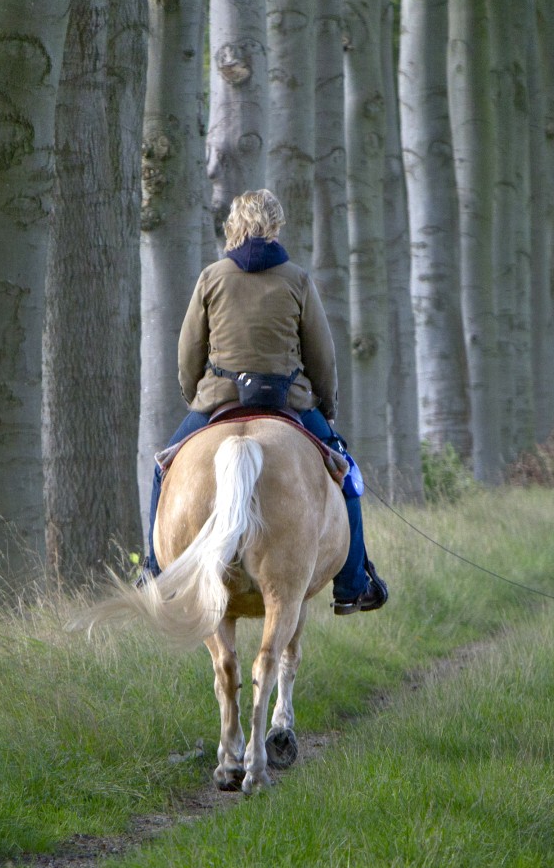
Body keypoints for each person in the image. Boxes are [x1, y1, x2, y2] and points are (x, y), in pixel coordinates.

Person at [144, 189, 388, 615]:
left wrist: (197, 399)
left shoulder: (211, 278)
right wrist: (325, 410)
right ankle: (352, 584)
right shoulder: (297, 279)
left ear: (233, 224)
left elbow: (188, 355)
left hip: (218, 403)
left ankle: (154, 571)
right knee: (347, 476)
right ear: (275, 225)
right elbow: (322, 357)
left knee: (163, 471)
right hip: (288, 404)